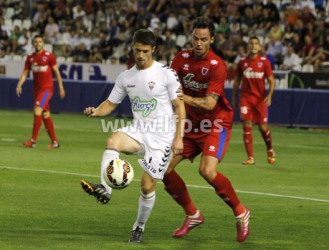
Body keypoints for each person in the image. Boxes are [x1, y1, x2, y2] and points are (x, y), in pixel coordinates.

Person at [80, 29, 185, 243]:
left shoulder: (166, 74)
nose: (140, 55)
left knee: (147, 187)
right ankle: (105, 189)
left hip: (163, 138)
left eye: (145, 51)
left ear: (153, 49)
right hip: (139, 131)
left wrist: (179, 138)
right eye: (137, 50)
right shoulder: (126, 77)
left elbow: (180, 107)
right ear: (132, 48)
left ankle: (139, 226)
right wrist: (96, 111)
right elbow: (110, 104)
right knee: (113, 140)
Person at [162, 16, 250, 243]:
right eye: (195, 38)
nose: (198, 43)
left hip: (216, 122)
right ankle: (192, 215)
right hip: (191, 123)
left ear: (211, 40)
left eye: (203, 39)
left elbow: (211, 103)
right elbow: (169, 91)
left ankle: (240, 211)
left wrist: (184, 98)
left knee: (207, 171)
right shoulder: (180, 59)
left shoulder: (217, 65)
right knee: (163, 169)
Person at [232, 36, 276, 165]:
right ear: (248, 46)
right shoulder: (242, 62)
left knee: (263, 128)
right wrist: (234, 98)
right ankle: (250, 157)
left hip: (259, 100)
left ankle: (270, 149)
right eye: (251, 43)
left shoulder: (265, 62)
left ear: (259, 47)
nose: (253, 46)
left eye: (256, 44)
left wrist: (270, 95)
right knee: (247, 124)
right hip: (245, 98)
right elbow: (236, 81)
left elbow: (271, 81)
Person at [16, 35, 65, 148]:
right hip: (37, 90)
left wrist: (61, 87)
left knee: (37, 110)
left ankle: (33, 141)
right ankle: (55, 142)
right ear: (33, 44)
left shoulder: (49, 56)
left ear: (43, 44)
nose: (38, 43)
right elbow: (25, 73)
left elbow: (57, 72)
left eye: (40, 41)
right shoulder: (30, 58)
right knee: (45, 114)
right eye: (36, 42)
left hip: (47, 90)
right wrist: (19, 84)